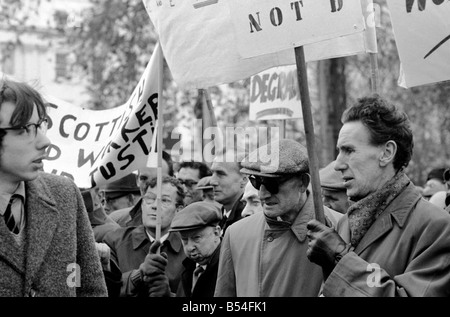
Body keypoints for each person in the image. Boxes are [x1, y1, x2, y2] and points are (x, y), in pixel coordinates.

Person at [306, 95, 450, 297]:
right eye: (339, 151)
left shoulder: (438, 227)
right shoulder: (346, 222)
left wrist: (340, 257)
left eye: (349, 150)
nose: (337, 164)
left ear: (387, 153)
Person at [0, 79, 107, 296]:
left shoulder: (64, 193)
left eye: (41, 125)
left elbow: (92, 289)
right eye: (24, 129)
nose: (44, 141)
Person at [214, 139, 343, 297]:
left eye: (272, 184)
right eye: (256, 182)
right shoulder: (235, 234)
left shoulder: (340, 228)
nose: (262, 194)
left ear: (303, 182)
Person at [102, 176, 186, 297]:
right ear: (141, 205)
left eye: (164, 200)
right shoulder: (114, 240)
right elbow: (105, 288)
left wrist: (169, 295)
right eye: (149, 199)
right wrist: (139, 275)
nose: (154, 206)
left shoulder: (187, 247)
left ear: (179, 210)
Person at [144, 201, 223, 297]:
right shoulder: (189, 267)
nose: (190, 247)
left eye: (196, 238)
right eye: (184, 240)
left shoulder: (227, 267)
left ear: (217, 232)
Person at [110, 151, 173, 227]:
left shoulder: (183, 222)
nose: (149, 186)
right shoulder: (116, 222)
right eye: (144, 178)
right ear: (137, 180)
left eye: (157, 179)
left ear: (173, 181)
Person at [210, 149, 247, 234]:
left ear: (244, 180)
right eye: (212, 173)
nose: (212, 182)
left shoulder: (246, 220)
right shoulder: (220, 217)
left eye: (220, 174)